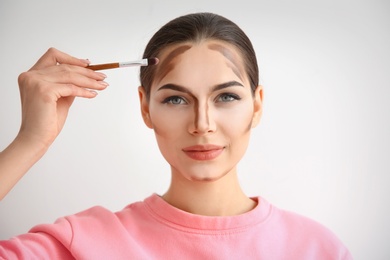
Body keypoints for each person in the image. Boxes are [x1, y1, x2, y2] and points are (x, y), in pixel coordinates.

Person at [0, 12, 352, 259]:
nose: (202, 124)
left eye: (226, 96)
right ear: (145, 108)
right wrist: (30, 141)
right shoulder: (82, 244)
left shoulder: (317, 249)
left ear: (257, 106)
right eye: (176, 99)